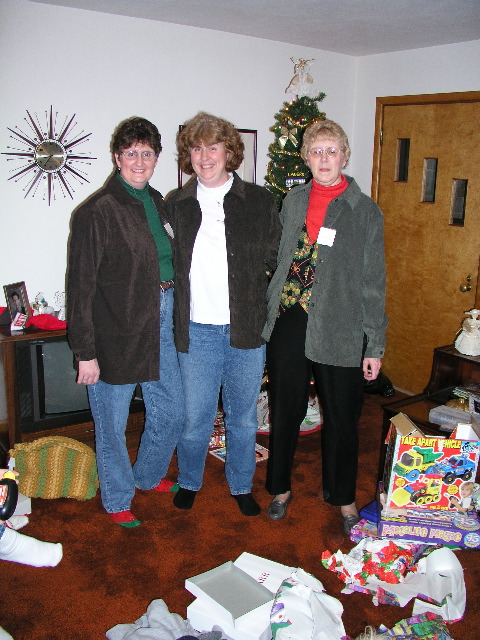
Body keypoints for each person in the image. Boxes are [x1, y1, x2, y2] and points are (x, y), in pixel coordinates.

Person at [262, 119, 387, 534]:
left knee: (341, 416)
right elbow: (281, 259)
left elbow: (374, 282)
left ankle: (343, 495)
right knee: (285, 409)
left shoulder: (364, 211)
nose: (324, 159)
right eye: (316, 151)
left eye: (331, 151)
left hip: (341, 325)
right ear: (306, 157)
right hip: (292, 318)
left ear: (345, 157)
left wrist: (375, 344)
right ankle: (280, 488)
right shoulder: (294, 200)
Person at [67, 117, 184, 527]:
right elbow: (80, 288)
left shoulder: (158, 201)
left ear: (156, 158)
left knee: (172, 411)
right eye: (131, 152)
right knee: (111, 424)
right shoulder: (96, 212)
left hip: (163, 321)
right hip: (116, 331)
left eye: (147, 153)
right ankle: (117, 497)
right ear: (117, 157)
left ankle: (147, 475)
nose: (139, 160)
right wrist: (85, 353)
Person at [167, 112, 281, 516]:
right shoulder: (176, 204)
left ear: (229, 151)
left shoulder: (259, 201)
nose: (204, 156)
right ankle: (190, 480)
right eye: (196, 148)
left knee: (244, 419)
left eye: (212, 147)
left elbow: (275, 259)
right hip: (196, 331)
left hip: (245, 331)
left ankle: (240, 485)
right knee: (195, 417)